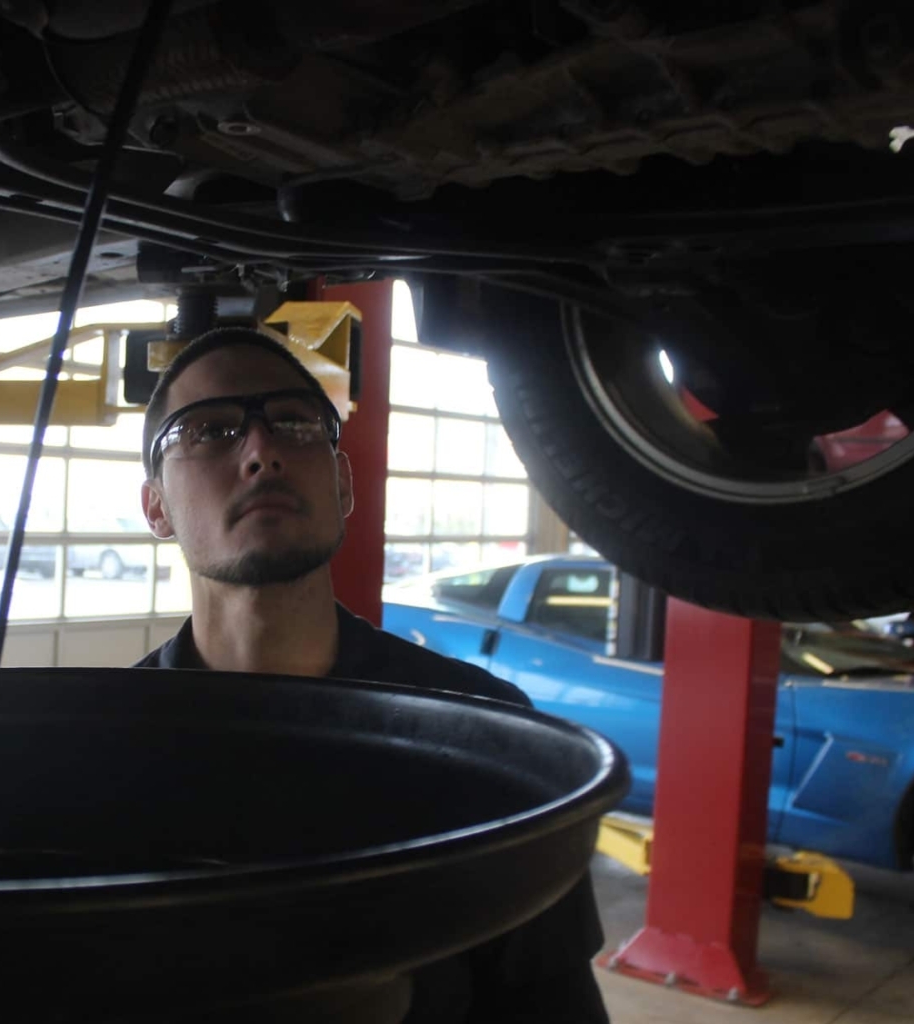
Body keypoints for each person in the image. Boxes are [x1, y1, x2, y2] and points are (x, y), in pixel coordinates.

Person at [135, 325, 610, 1023]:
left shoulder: (484, 731)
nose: (262, 452)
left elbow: (552, 1003)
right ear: (156, 507)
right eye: (207, 430)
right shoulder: (112, 740)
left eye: (295, 424)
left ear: (343, 483)